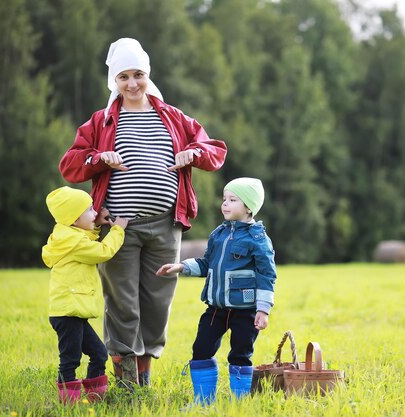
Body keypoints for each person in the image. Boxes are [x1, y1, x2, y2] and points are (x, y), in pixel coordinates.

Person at [59, 38, 227, 388]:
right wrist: (97, 158)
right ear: (114, 82)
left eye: (139, 74)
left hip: (167, 226)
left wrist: (194, 152)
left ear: (148, 75)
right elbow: (69, 166)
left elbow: (215, 151)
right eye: (124, 77)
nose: (133, 84)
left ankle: (144, 380)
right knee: (123, 304)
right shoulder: (101, 122)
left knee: (157, 304)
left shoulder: (174, 117)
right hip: (118, 228)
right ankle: (125, 384)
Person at [156, 177, 276, 404]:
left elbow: (267, 275)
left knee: (240, 354)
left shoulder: (258, 239)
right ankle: (203, 401)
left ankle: (240, 402)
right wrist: (181, 266)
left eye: (233, 200)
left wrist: (263, 309)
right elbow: (206, 264)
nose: (225, 204)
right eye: (224, 199)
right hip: (216, 308)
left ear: (249, 207)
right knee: (201, 349)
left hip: (246, 310)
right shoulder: (218, 234)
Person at [42, 186, 128, 404]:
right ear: (73, 219)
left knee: (98, 353)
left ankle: (95, 398)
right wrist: (118, 230)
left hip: (72, 311)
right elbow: (102, 252)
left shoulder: (69, 236)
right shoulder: (74, 242)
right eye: (89, 209)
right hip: (68, 313)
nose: (95, 212)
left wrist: (95, 223)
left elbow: (85, 239)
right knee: (70, 360)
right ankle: (68, 402)